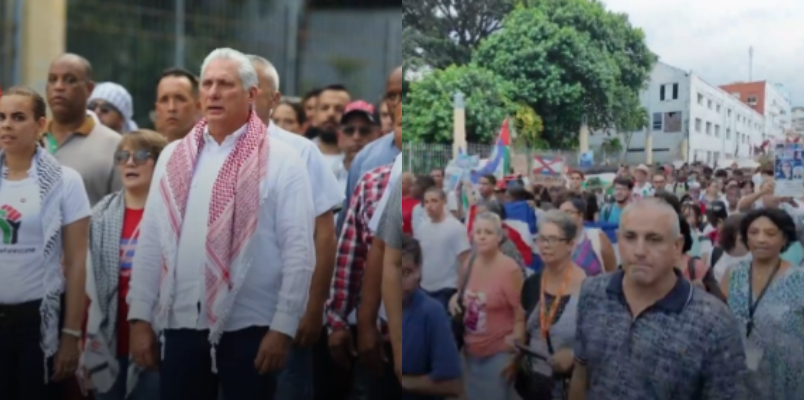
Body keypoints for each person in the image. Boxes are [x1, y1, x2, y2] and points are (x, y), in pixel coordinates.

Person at [126, 48, 316, 400]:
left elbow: (299, 250)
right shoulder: (173, 156)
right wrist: (139, 319)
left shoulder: (283, 160)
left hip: (252, 327)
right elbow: (152, 242)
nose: (213, 93)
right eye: (208, 84)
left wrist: (283, 327)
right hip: (180, 321)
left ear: (251, 94)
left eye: (225, 84)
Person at [568, 199, 747, 399]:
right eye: (630, 237)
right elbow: (581, 374)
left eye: (654, 239)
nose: (639, 251)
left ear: (677, 246)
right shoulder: (593, 292)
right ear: (619, 239)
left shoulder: (714, 321)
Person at [249, 54, 345, 400]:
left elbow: (325, 234)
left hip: (283, 315)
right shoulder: (207, 151)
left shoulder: (300, 152)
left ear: (274, 99)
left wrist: (313, 306)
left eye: (253, 88)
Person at [0, 86, 91, 399]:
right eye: (1, 117)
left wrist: (70, 333)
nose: (6, 124)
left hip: (39, 323)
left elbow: (78, 261)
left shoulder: (65, 181)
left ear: (40, 125)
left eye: (17, 117)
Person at [83, 129, 167, 400]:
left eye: (142, 155)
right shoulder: (98, 215)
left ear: (161, 162)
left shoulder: (172, 215)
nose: (130, 162)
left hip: (157, 340)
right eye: (123, 156)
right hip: (106, 339)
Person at [721, 208, 804, 399]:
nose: (761, 239)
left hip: (787, 381)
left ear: (784, 239)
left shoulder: (799, 280)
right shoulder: (733, 274)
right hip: (740, 377)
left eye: (770, 233)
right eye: (754, 232)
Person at [448, 212, 523, 400]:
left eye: (488, 232)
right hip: (470, 350)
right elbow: (460, 292)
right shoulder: (469, 262)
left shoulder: (509, 269)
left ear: (499, 237)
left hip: (498, 352)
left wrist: (515, 354)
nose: (481, 236)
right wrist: (453, 300)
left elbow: (520, 313)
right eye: (477, 231)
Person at [517, 210, 587, 400]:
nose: (545, 246)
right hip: (530, 382)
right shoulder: (532, 283)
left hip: (567, 386)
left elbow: (600, 340)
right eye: (541, 239)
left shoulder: (589, 288)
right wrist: (517, 339)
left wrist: (573, 356)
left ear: (570, 244)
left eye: (553, 239)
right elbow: (520, 319)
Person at [44, 53, 122, 205]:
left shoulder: (115, 145)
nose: (59, 87)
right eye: (53, 80)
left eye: (70, 80)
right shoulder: (28, 139)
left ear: (89, 89)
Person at [400, 236, 462, 400]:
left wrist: (400, 381)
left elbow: (452, 385)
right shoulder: (368, 312)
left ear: (418, 271)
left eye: (405, 273)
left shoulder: (431, 312)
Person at [153, 67, 201, 142]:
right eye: (164, 100)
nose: (171, 108)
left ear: (198, 106)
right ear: (157, 109)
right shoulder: (148, 152)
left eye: (180, 99)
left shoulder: (214, 151)